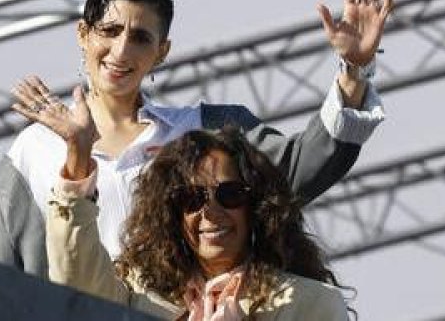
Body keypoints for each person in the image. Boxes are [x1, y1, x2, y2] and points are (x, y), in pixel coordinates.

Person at [0, 0, 392, 274]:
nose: (121, 51)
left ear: (162, 51)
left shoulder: (205, 131)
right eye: (109, 30)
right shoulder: (28, 157)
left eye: (141, 37)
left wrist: (354, 69)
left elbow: (309, 164)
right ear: (83, 34)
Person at [47, 127, 350, 319]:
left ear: (255, 205)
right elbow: (79, 287)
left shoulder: (312, 304)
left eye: (229, 194)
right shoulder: (137, 290)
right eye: (191, 198)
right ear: (172, 213)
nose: (210, 212)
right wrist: (77, 163)